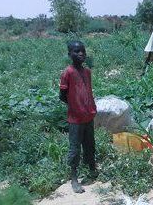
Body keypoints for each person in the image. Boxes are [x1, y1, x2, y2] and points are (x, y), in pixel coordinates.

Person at [59, 41, 98, 193]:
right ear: (70, 54)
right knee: (75, 149)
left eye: (82, 51)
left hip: (88, 116)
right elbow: (62, 95)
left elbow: (88, 91)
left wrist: (87, 107)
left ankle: (92, 169)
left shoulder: (87, 72)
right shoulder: (67, 72)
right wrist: (76, 107)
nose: (81, 54)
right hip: (75, 119)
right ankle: (74, 179)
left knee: (90, 145)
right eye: (76, 51)